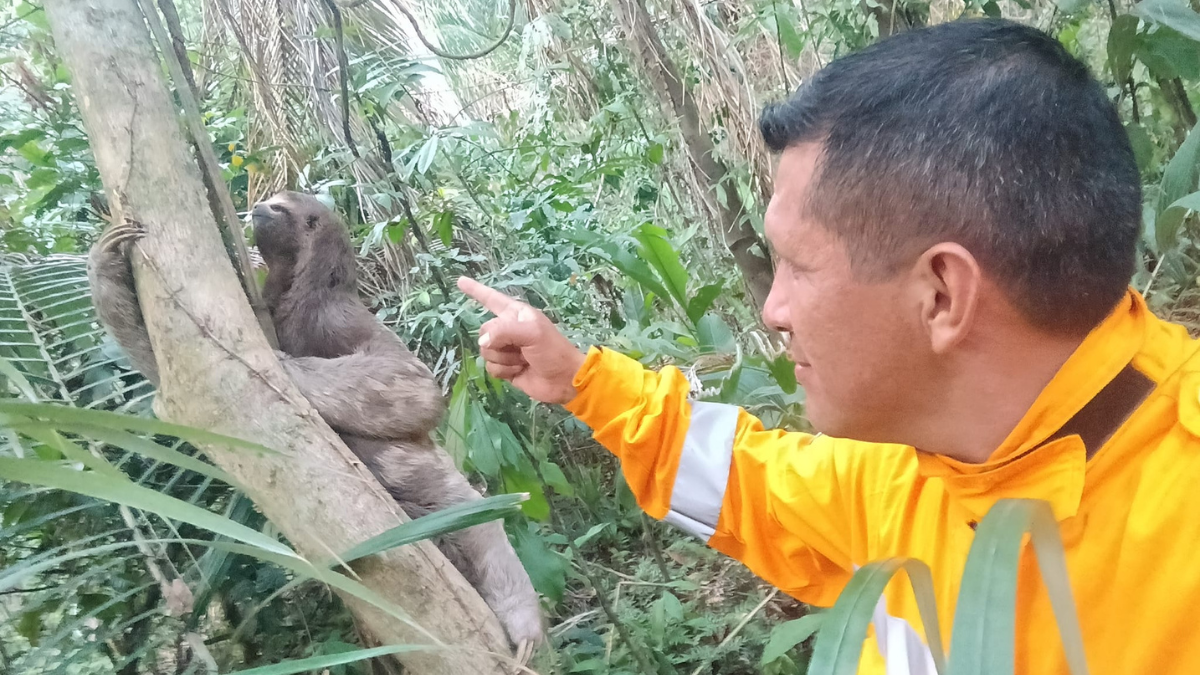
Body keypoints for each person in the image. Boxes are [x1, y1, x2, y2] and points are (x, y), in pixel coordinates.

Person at [458, 17, 1200, 675]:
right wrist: (582, 380)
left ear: (942, 293)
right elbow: (751, 481)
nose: (774, 309)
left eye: (799, 266)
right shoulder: (914, 470)